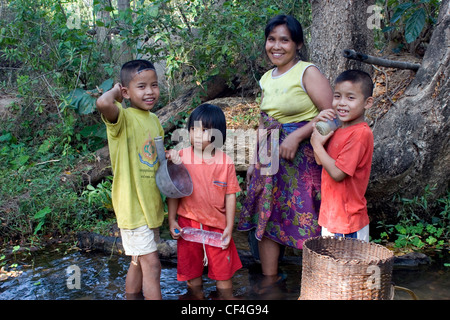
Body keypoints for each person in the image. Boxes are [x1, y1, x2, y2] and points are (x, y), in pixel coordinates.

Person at [237, 14, 333, 278]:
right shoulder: (267, 77)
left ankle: (317, 285)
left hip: (301, 160)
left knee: (306, 215)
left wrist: (297, 136)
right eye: (271, 39)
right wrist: (253, 163)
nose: (276, 46)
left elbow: (332, 116)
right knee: (268, 216)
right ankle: (270, 285)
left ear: (298, 44)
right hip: (269, 158)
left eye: (284, 40)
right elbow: (264, 121)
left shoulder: (307, 72)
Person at [96, 60, 164, 300]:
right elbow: (103, 102)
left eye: (154, 85)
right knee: (153, 266)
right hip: (133, 207)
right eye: (141, 86)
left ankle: (131, 296)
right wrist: (116, 92)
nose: (149, 92)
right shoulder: (121, 119)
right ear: (126, 92)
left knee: (137, 260)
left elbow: (158, 162)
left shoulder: (154, 120)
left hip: (150, 206)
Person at [167, 104, 242, 299]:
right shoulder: (181, 157)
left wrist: (229, 226)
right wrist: (172, 220)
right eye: (193, 130)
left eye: (205, 130)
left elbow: (230, 195)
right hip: (187, 226)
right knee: (192, 277)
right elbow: (173, 191)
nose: (198, 135)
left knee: (224, 278)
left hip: (217, 227)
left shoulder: (225, 162)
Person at [310, 69, 374, 242]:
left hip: (348, 221)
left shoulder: (360, 134)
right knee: (331, 268)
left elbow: (338, 174)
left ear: (367, 102)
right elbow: (319, 159)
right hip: (331, 216)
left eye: (350, 98)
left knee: (348, 268)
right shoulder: (338, 127)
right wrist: (318, 131)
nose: (342, 103)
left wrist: (316, 144)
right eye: (337, 96)